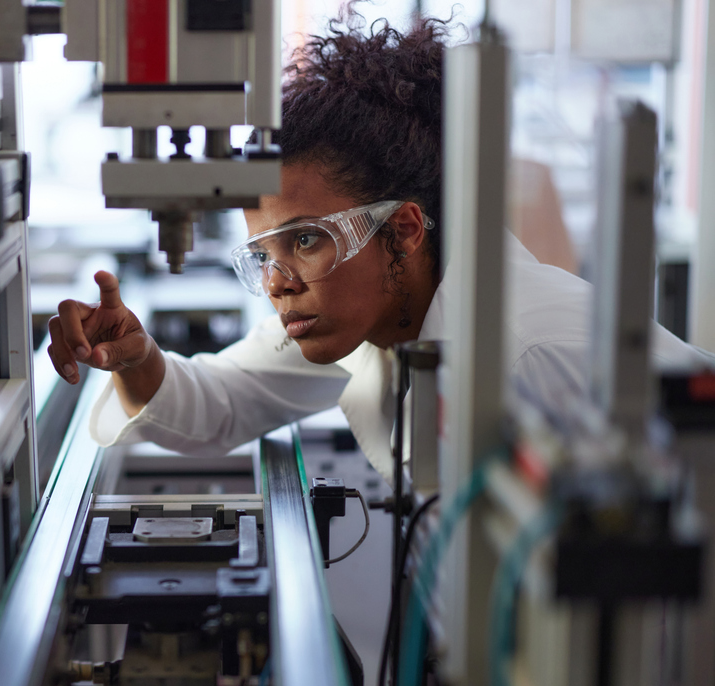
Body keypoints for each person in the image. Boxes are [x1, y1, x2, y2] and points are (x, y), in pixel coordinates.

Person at [45, 14, 707, 481]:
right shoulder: (376, 317)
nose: (278, 281)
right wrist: (134, 357)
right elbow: (223, 401)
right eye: (261, 256)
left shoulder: (533, 354)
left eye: (304, 240)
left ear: (404, 229)